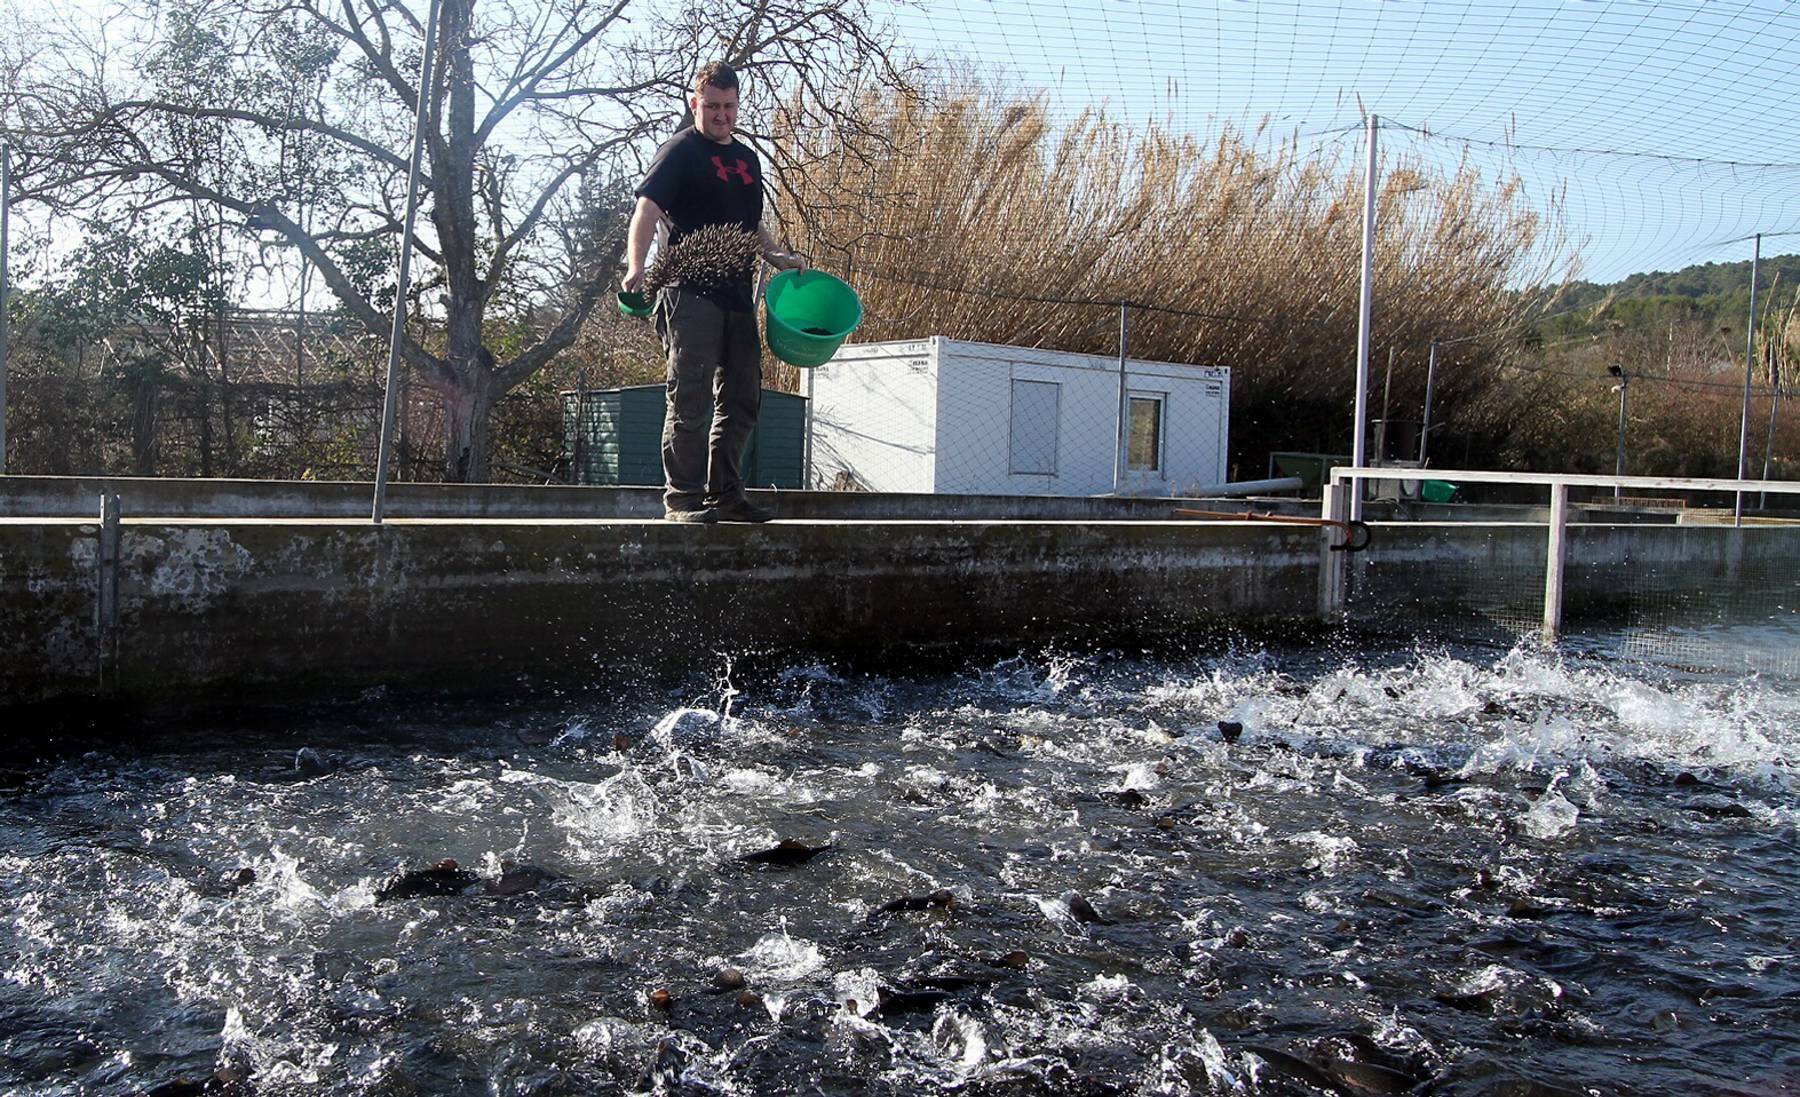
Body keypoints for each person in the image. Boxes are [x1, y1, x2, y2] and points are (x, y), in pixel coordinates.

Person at [622, 62, 806, 524]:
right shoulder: (680, 151)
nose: (721, 115)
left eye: (728, 106)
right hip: (689, 290)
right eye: (712, 106)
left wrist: (777, 257)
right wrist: (636, 264)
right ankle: (683, 500)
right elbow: (646, 209)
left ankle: (726, 494)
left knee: (743, 397)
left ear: (738, 105)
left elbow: (750, 223)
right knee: (691, 396)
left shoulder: (747, 159)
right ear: (695, 104)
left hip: (736, 294)